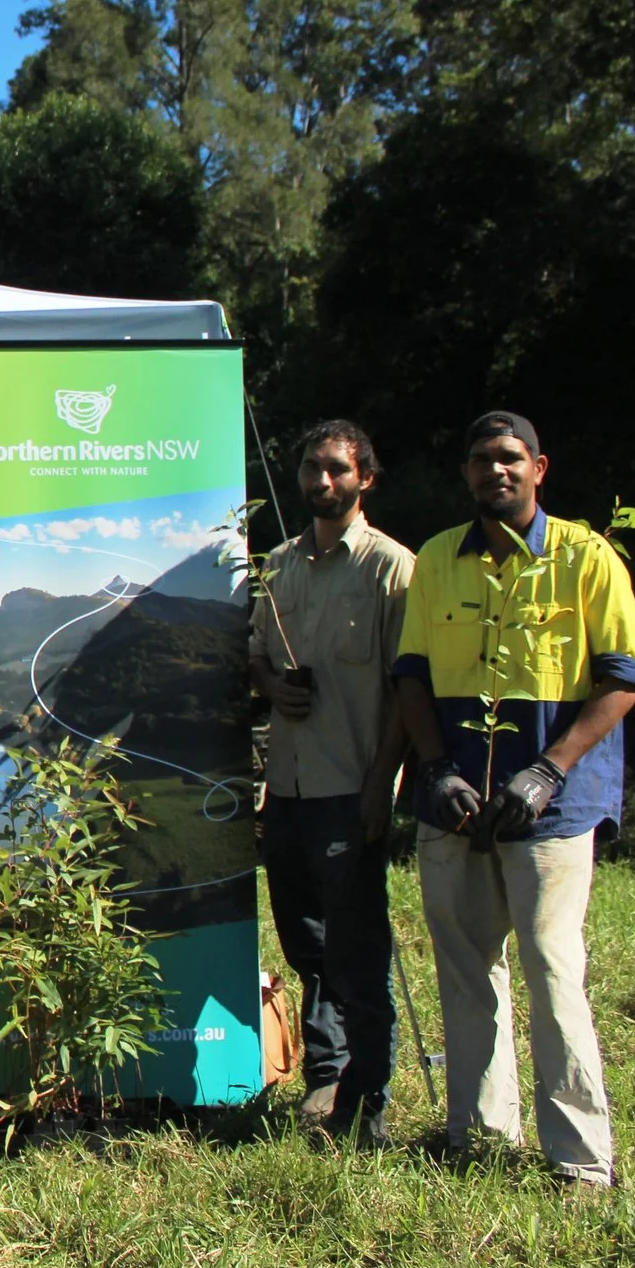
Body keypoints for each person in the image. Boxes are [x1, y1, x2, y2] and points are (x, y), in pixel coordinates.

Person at [394, 411, 635, 1190]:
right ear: (466, 473)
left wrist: (548, 769)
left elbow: (623, 678)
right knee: (467, 968)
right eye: (479, 460)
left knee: (549, 963)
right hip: (456, 801)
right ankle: (478, 1134)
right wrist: (434, 769)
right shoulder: (437, 557)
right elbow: (412, 676)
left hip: (553, 809)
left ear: (540, 467)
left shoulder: (585, 557)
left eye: (509, 459)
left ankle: (579, 1159)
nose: (493, 471)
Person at [249, 420, 414, 1144]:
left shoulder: (390, 570)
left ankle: (366, 1095)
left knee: (356, 949)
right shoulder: (279, 565)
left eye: (337, 470)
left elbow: (412, 690)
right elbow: (255, 652)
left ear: (365, 478)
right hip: (284, 790)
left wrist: (384, 784)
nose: (322, 481)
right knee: (303, 942)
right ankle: (327, 1070)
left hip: (352, 786)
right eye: (312, 468)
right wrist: (272, 686)